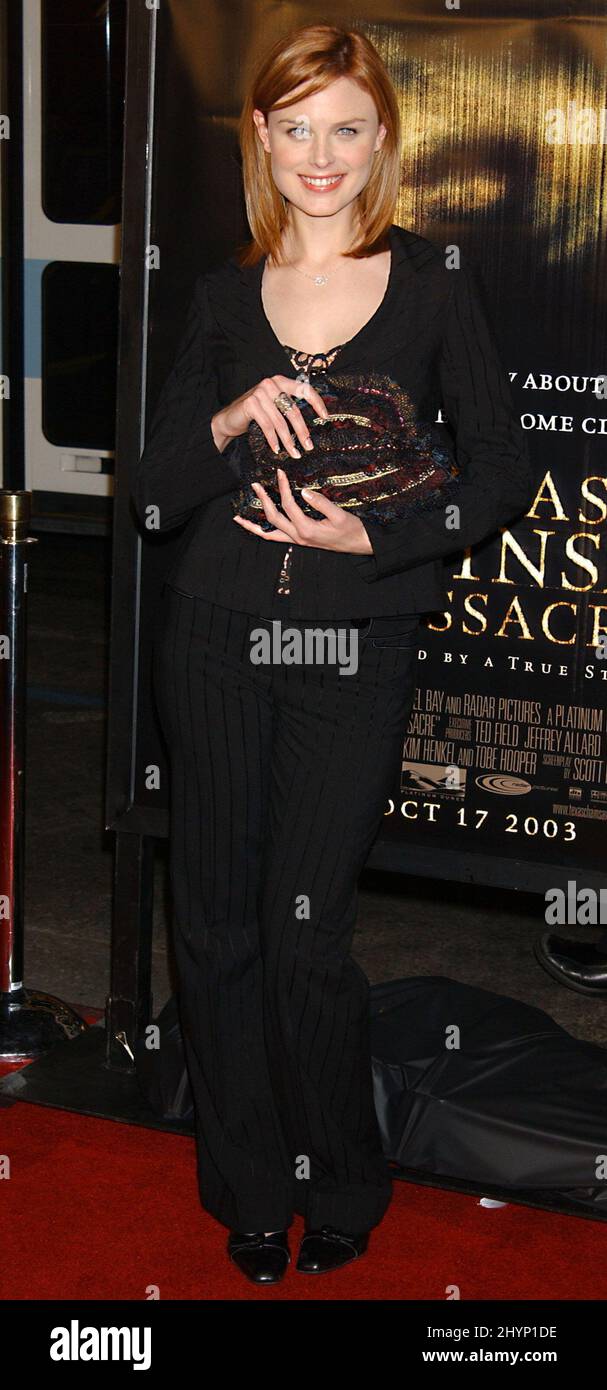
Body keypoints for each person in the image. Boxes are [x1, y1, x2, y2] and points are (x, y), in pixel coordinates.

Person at [132, 23, 533, 1285]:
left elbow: (504, 470)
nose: (319, 153)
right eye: (294, 126)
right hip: (212, 639)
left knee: (305, 931)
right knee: (215, 927)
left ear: (379, 143)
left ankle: (340, 1178)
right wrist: (226, 414)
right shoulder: (214, 297)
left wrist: (377, 531)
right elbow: (149, 489)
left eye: (344, 127)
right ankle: (250, 1189)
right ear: (259, 136)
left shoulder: (430, 286)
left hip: (351, 650)